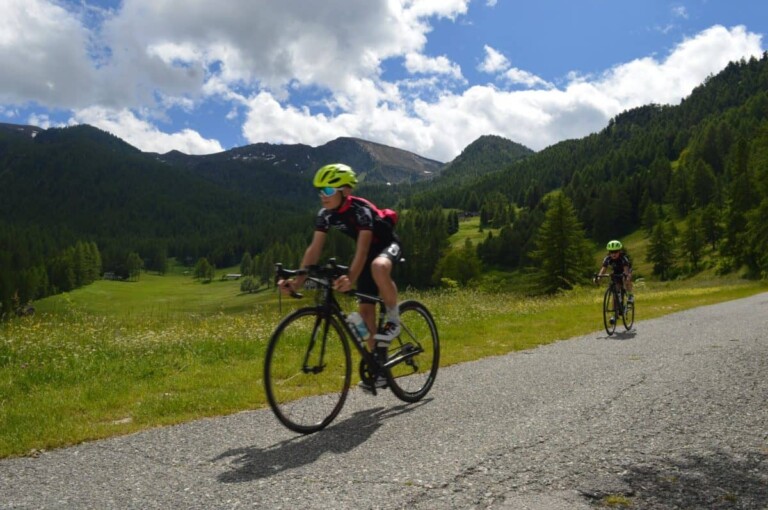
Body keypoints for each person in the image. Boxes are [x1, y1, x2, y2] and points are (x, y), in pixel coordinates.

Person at [278, 163, 402, 393]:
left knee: (378, 266)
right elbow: (314, 249)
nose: (322, 196)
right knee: (365, 314)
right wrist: (297, 282)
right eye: (320, 191)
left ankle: (394, 319)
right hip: (367, 256)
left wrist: (350, 278)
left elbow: (362, 251)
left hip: (387, 246)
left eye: (327, 190)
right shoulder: (325, 215)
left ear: (345, 191)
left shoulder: (361, 211)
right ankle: (379, 368)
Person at [594, 239, 634, 303]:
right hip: (616, 271)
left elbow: (626, 270)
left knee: (626, 279)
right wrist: (599, 277)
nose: (613, 254)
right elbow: (603, 269)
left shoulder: (623, 258)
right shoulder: (607, 258)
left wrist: (626, 276)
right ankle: (618, 297)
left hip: (626, 270)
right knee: (617, 285)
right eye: (611, 252)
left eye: (615, 252)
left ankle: (630, 295)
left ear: (619, 251)